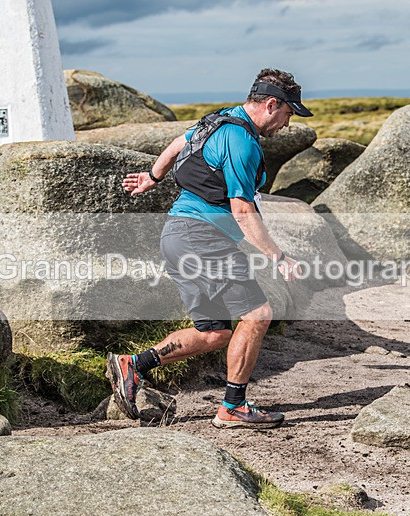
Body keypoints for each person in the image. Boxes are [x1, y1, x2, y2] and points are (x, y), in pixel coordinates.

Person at [107, 68, 312, 429]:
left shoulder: (219, 120)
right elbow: (243, 210)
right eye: (288, 114)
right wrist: (278, 257)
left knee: (214, 333)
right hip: (203, 238)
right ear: (271, 104)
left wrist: (152, 178)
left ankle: (133, 365)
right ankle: (233, 407)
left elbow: (175, 145)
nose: (287, 124)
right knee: (258, 314)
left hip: (176, 236)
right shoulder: (242, 141)